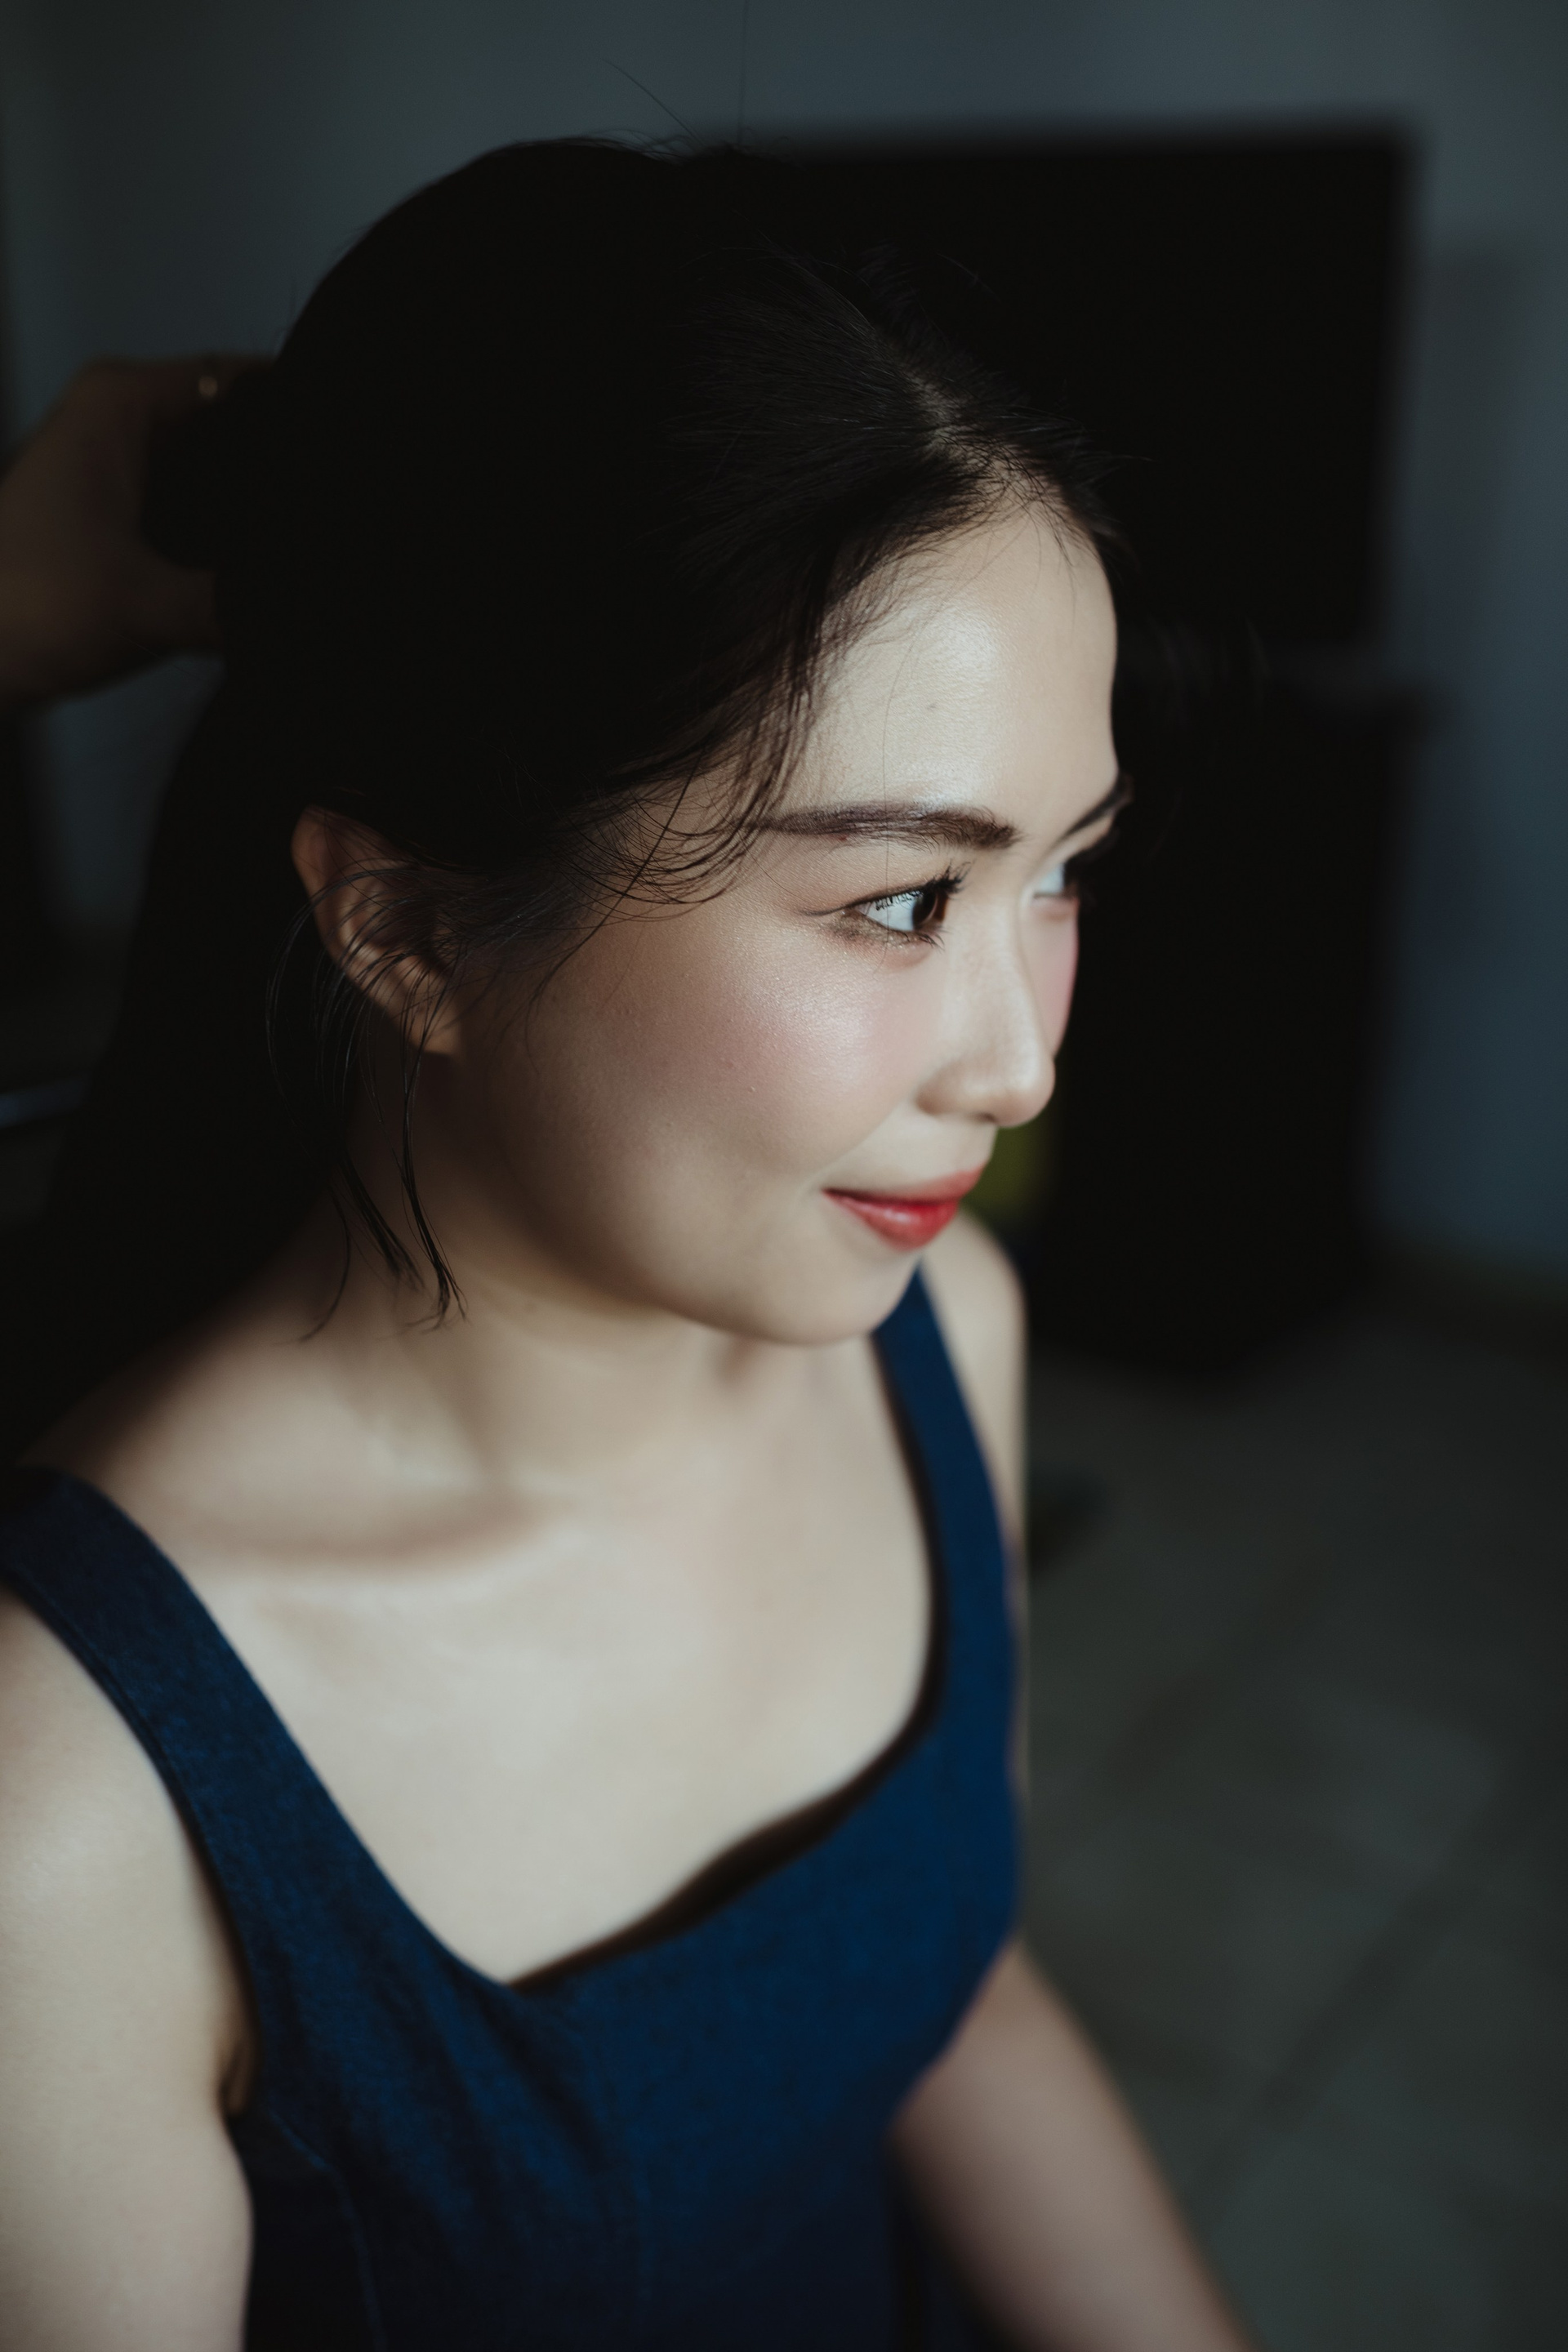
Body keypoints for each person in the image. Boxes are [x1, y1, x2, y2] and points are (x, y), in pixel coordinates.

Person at [0, 142, 1255, 2352]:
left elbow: (953, 2004)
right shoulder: (72, 1790)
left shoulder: (940, 1336)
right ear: (409, 929)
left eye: (1060, 872)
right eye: (901, 899)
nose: (1022, 1063)